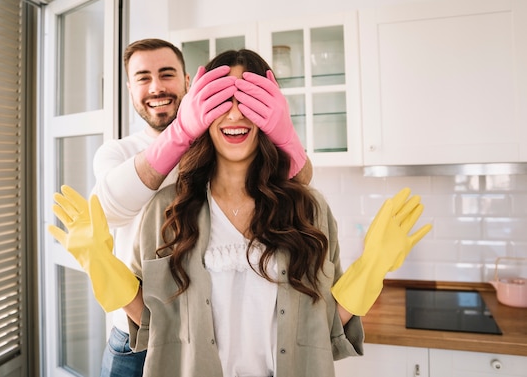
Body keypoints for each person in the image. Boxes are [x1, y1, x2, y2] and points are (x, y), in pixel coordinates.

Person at [51, 49, 432, 377]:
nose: (235, 114)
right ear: (200, 109)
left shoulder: (307, 208)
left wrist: (373, 268)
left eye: (250, 100)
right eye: (221, 99)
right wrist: (98, 263)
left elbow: (324, 328)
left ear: (272, 112)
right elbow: (154, 327)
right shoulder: (166, 210)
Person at [89, 39, 313, 377]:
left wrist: (285, 136)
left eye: (167, 74)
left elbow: (300, 183)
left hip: (199, 331)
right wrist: (181, 131)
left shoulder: (221, 141)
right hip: (134, 331)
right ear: (130, 88)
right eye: (142, 77)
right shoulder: (116, 153)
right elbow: (107, 209)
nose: (156, 87)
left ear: (190, 82)